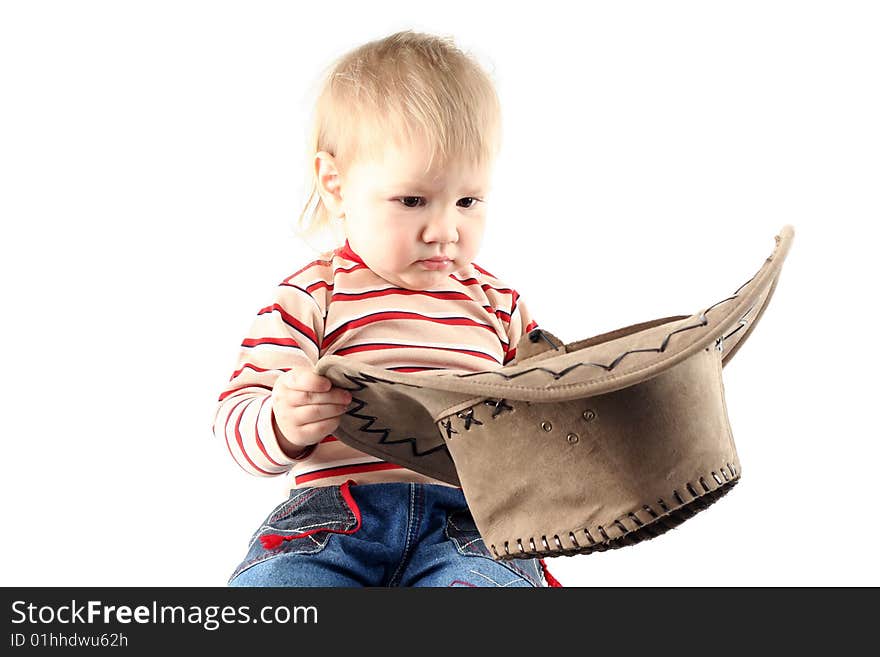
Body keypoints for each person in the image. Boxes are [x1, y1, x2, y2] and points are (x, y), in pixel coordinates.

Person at [214, 29, 561, 587]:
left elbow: (553, 413)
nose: (444, 230)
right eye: (412, 200)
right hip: (330, 525)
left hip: (469, 526)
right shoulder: (313, 297)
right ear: (335, 184)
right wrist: (280, 420)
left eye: (468, 201)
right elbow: (235, 423)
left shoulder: (500, 306)